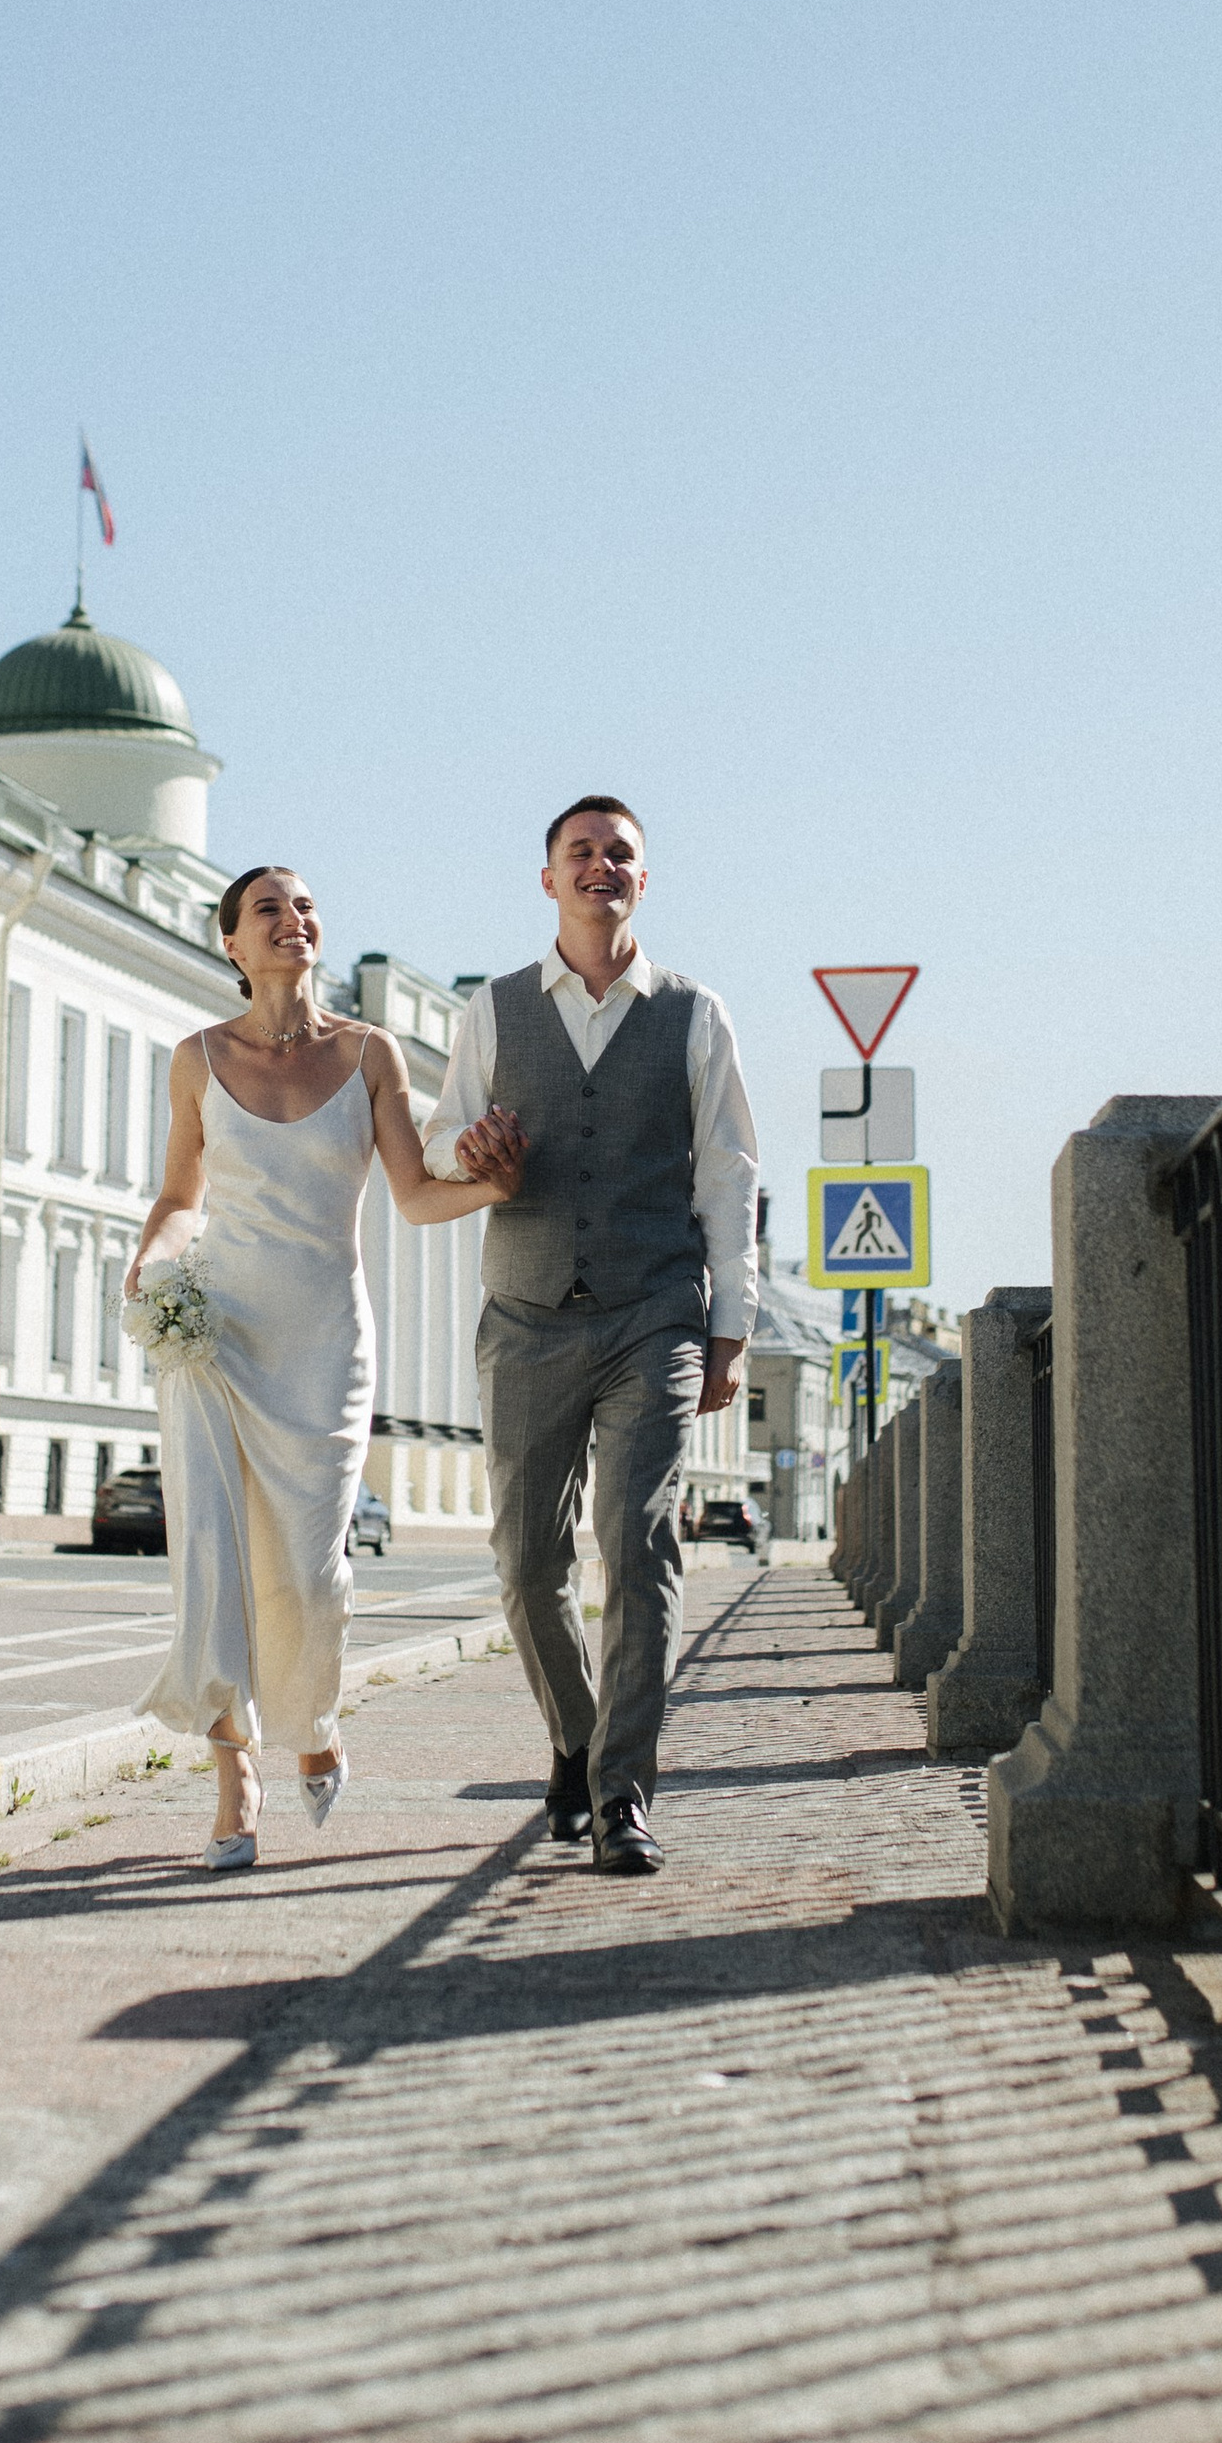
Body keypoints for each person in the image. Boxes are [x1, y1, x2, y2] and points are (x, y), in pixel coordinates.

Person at [127, 864, 520, 1870]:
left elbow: (416, 1196)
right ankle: (234, 1776)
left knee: (308, 1575)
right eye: (270, 909)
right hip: (214, 1336)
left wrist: (490, 1185)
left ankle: (316, 1720)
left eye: (305, 908)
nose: (294, 921)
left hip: (324, 1342)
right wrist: (153, 1265)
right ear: (232, 943)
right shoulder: (196, 1059)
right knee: (212, 1560)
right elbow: (181, 1199)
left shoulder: (368, 1054)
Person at [429, 796, 760, 1876]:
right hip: (523, 1316)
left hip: (653, 1313)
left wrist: (730, 1327)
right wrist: (474, 1151)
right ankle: (573, 1737)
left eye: (619, 853)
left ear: (642, 882)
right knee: (526, 1566)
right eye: (581, 852)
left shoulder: (692, 1013)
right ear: (549, 879)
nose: (599, 866)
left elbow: (728, 1176)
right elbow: (440, 1141)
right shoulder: (496, 1006)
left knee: (637, 1543)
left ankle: (623, 1793)